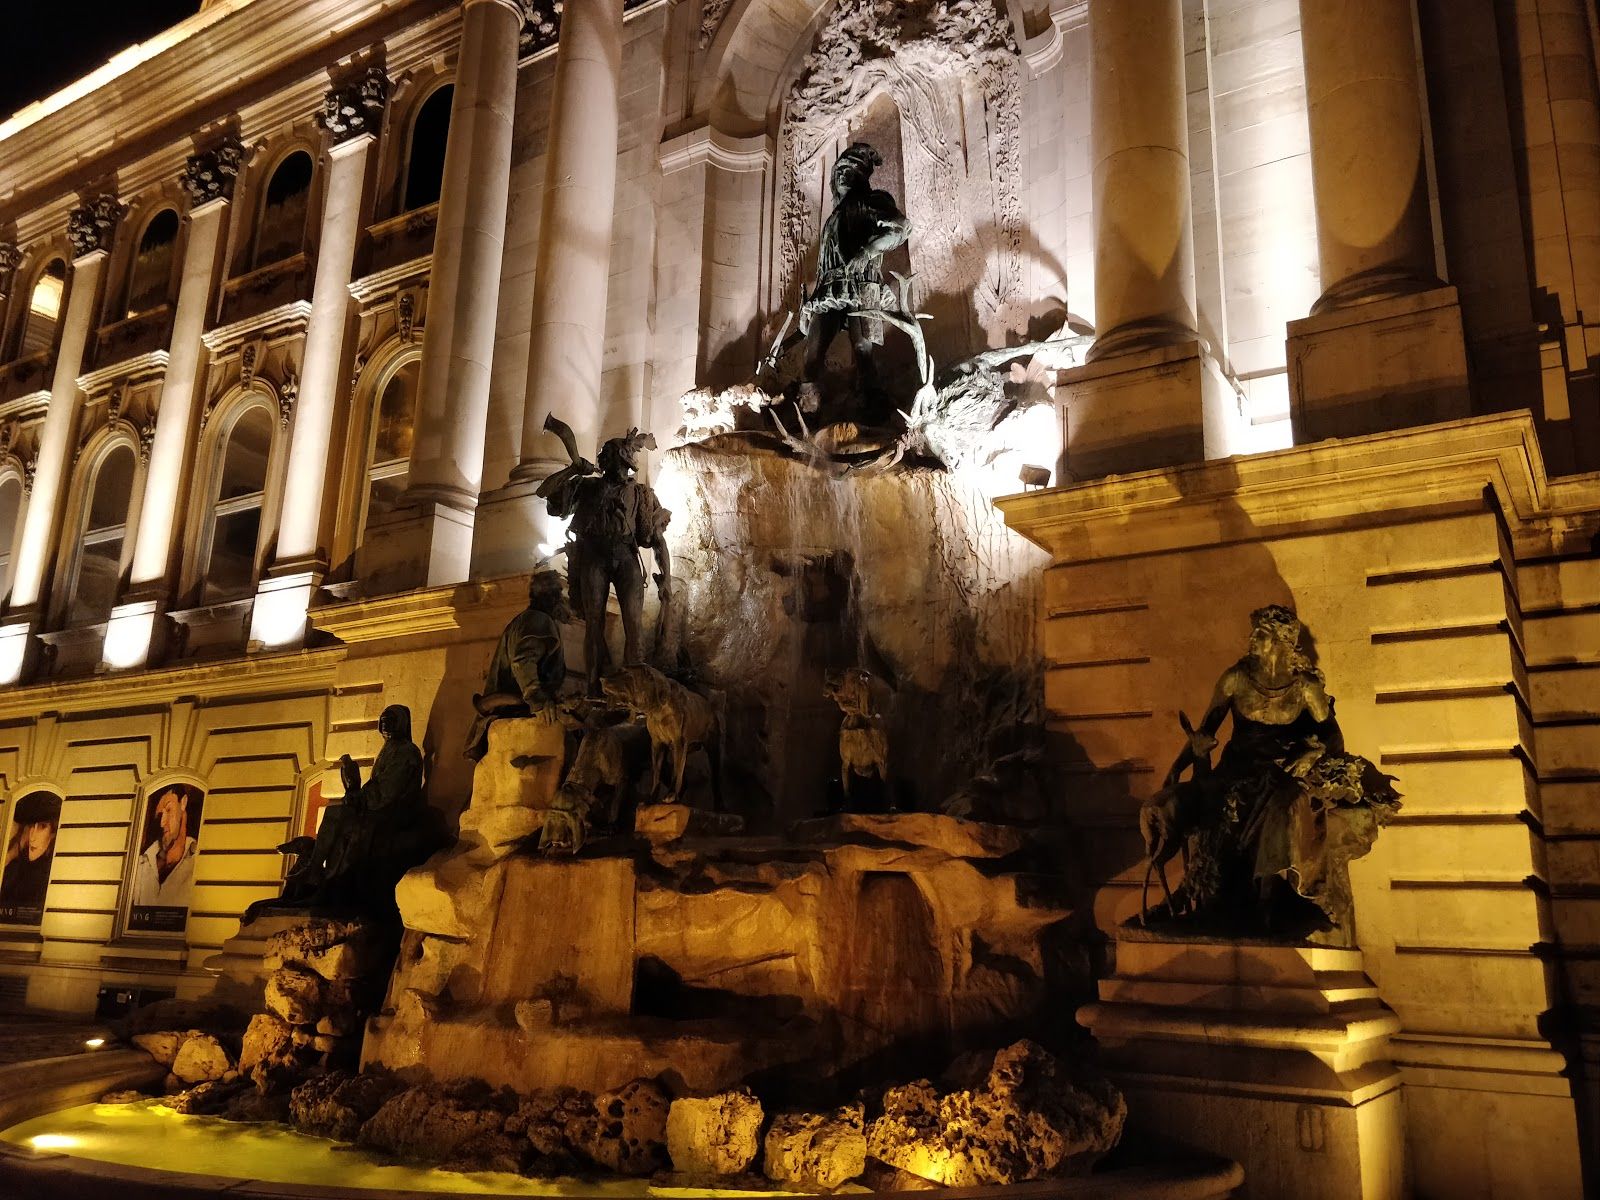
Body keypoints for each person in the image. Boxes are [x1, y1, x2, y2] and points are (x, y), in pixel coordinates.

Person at [1140, 605, 1400, 936]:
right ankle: (1201, 893)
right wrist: (1189, 756)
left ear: (1281, 642)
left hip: (1285, 771)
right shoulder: (1235, 679)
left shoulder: (1305, 686)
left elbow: (1333, 736)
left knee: (1284, 808)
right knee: (1212, 808)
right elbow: (1207, 728)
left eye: (1260, 635)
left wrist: (1313, 751)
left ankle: (1271, 897)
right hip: (1237, 769)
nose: (1252, 639)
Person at [250, 704, 433, 920]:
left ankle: (318, 872)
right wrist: (355, 791)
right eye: (383, 720)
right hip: (380, 808)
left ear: (402, 724)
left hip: (394, 812)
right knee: (336, 814)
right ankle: (317, 869)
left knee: (342, 817)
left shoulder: (407, 751)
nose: (385, 725)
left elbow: (388, 790)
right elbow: (377, 787)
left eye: (391, 720)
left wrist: (358, 795)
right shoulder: (389, 749)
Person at [538, 429, 671, 696]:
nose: (603, 460)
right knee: (593, 624)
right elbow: (545, 493)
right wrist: (572, 470)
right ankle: (593, 688)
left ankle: (635, 688)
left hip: (625, 556)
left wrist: (666, 577)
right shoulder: (586, 486)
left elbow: (656, 540)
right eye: (607, 457)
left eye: (610, 456)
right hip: (593, 555)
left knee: (633, 623)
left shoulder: (642, 495)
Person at [799, 142, 911, 414]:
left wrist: (868, 251)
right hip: (830, 289)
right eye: (838, 171)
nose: (841, 176)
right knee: (811, 353)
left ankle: (870, 403)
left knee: (862, 347)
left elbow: (901, 227)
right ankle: (808, 409)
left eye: (848, 171)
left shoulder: (871, 202)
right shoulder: (833, 217)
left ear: (860, 176)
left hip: (862, 283)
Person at [464, 568, 571, 760]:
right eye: (561, 595)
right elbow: (523, 661)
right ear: (553, 598)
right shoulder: (538, 621)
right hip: (516, 711)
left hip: (509, 710)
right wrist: (537, 699)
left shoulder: (525, 620)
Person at [130, 785, 198, 909]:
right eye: (160, 815)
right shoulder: (142, 864)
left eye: (168, 810)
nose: (162, 823)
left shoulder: (198, 861)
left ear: (183, 803)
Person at [0, 791, 61, 914]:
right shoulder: (15, 866)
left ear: (53, 834)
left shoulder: (50, 874)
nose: (32, 836)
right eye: (32, 826)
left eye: (42, 827)